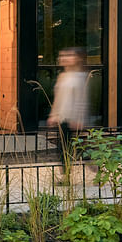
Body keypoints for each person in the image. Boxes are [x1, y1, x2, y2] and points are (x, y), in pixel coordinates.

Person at [46, 48, 89, 182]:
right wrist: (53, 115)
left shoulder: (81, 77)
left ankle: (98, 169)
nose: (64, 58)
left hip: (73, 119)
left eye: (69, 55)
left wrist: (79, 118)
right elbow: (58, 98)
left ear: (78, 58)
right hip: (62, 118)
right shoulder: (63, 76)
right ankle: (66, 177)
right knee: (63, 149)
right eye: (62, 55)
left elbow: (82, 99)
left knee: (81, 150)